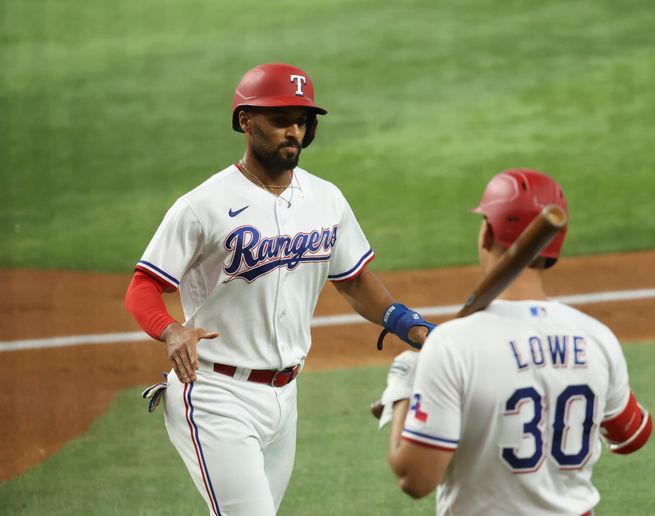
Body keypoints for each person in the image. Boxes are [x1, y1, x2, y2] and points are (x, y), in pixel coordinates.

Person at [124, 62, 434, 516]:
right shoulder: (202, 205)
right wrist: (170, 330)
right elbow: (143, 285)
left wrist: (408, 323)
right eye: (280, 119)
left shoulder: (327, 199)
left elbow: (353, 279)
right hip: (215, 394)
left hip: (285, 398)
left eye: (302, 121)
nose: (294, 130)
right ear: (245, 121)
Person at [378, 169, 653, 516]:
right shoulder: (597, 337)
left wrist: (403, 391)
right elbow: (633, 436)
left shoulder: (452, 346)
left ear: (487, 232)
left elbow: (414, 479)